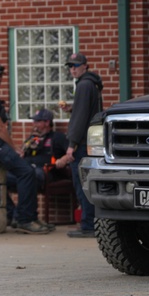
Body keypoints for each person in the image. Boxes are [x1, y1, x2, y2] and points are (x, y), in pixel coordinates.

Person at [0, 61, 53, 234]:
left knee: (21, 175)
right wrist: (15, 148)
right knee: (27, 172)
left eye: (0, 75)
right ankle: (25, 220)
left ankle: (23, 216)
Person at [55, 53, 103, 238]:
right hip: (91, 141)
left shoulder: (83, 85)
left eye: (76, 65)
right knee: (88, 182)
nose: (72, 69)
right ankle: (90, 222)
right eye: (70, 66)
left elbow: (80, 118)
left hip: (82, 143)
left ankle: (88, 224)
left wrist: (71, 144)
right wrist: (71, 108)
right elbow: (86, 110)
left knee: (82, 184)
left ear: (85, 66)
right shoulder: (92, 84)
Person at [7, 108, 69, 225]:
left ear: (47, 122)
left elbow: (71, 152)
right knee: (3, 178)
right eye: (34, 121)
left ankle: (21, 217)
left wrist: (63, 160)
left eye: (37, 121)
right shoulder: (32, 139)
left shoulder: (57, 137)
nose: (34, 124)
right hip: (25, 171)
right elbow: (21, 154)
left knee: (30, 177)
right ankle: (12, 213)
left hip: (45, 172)